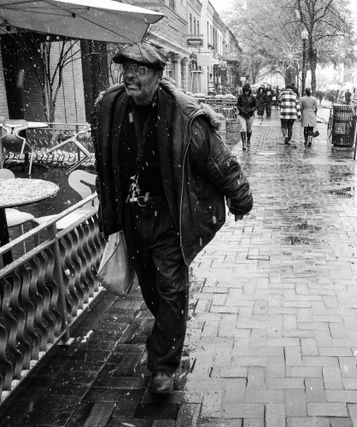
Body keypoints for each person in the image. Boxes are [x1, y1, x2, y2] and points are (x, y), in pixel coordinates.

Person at [92, 43, 253, 395]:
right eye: (127, 67)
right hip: (133, 216)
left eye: (140, 69)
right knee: (150, 285)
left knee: (170, 287)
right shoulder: (110, 106)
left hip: (170, 217)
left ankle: (163, 365)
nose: (131, 74)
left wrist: (239, 195)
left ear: (158, 74)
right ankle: (166, 334)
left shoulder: (181, 114)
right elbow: (103, 163)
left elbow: (216, 158)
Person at [236, 83, 257, 150]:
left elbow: (256, 105)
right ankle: (243, 143)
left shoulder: (253, 97)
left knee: (249, 129)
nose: (246, 92)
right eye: (245, 91)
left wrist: (251, 110)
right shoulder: (240, 97)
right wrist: (241, 109)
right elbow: (238, 104)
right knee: (243, 129)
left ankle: (248, 140)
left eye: (247, 91)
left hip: (250, 115)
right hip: (242, 115)